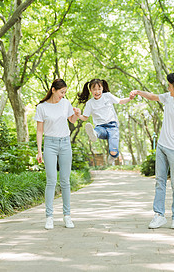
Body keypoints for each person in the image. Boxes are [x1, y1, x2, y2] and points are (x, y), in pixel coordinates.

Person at [131, 73, 174, 230]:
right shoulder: (168, 97)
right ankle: (159, 215)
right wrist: (138, 92)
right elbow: (152, 96)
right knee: (160, 182)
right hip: (161, 147)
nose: (168, 88)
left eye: (169, 86)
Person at [34, 79, 80, 230]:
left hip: (65, 143)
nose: (63, 95)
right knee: (51, 180)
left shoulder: (65, 103)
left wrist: (76, 115)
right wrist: (39, 150)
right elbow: (39, 131)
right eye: (61, 92)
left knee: (65, 181)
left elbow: (71, 121)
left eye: (65, 92)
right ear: (53, 90)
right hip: (50, 144)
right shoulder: (42, 107)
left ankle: (67, 216)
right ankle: (49, 217)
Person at [76, 78, 134, 165]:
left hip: (112, 126)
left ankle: (112, 155)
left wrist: (130, 98)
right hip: (100, 127)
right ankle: (94, 134)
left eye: (99, 89)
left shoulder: (107, 96)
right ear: (90, 90)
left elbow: (120, 101)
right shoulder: (90, 103)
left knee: (114, 149)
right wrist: (78, 115)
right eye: (94, 89)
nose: (97, 91)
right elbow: (85, 117)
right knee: (97, 131)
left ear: (102, 89)